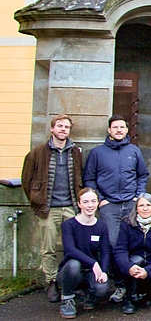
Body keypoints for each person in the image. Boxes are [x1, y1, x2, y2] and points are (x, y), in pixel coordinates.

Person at [83, 115, 148, 303]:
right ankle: (119, 284)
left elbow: (142, 175)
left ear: (127, 130)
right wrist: (100, 200)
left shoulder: (134, 151)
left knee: (132, 244)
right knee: (111, 244)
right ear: (109, 130)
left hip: (130, 204)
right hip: (109, 206)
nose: (119, 130)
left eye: (122, 127)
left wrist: (138, 195)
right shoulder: (97, 153)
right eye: (115, 127)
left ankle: (133, 285)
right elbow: (89, 178)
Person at [21, 114, 83, 303]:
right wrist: (35, 200)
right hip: (49, 208)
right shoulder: (38, 152)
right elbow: (26, 180)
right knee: (48, 248)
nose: (63, 129)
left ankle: (72, 281)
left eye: (66, 127)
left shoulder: (76, 152)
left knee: (74, 246)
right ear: (52, 129)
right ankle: (52, 282)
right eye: (60, 126)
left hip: (71, 206)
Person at [56, 187, 111, 319]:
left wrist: (103, 271)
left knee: (102, 288)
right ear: (79, 204)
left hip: (90, 272)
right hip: (70, 271)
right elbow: (70, 250)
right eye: (85, 202)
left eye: (93, 201)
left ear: (98, 203)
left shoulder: (101, 226)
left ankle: (89, 294)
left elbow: (105, 251)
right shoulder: (69, 225)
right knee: (74, 265)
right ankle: (67, 299)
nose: (90, 205)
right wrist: (93, 263)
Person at [113, 194, 151, 314]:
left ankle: (148, 296)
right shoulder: (126, 223)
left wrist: (148, 270)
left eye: (148, 205)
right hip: (133, 264)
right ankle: (130, 299)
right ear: (136, 208)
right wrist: (128, 267)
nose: (145, 208)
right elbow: (120, 250)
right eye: (141, 205)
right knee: (136, 261)